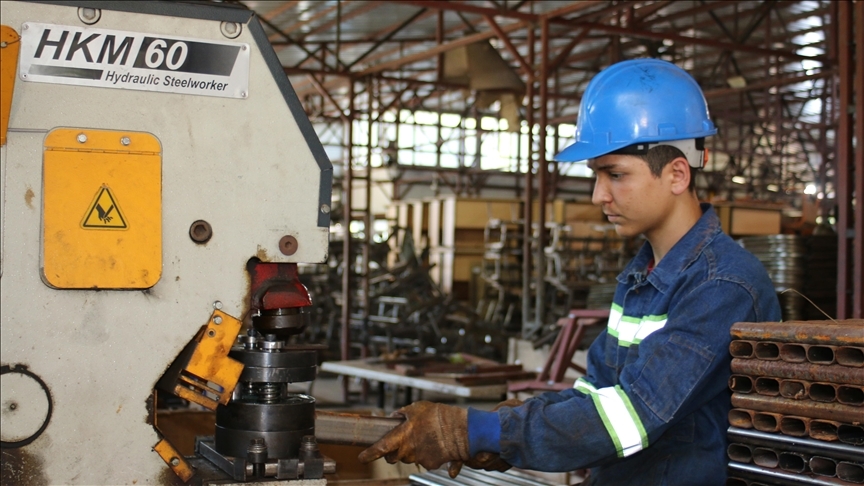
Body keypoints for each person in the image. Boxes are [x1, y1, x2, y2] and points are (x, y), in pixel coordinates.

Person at [358, 59, 781, 485]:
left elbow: (630, 418)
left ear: (676, 173)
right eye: (596, 175)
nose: (600, 195)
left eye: (616, 175)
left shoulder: (722, 285)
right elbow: (595, 395)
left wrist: (479, 431)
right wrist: (511, 429)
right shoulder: (641, 277)